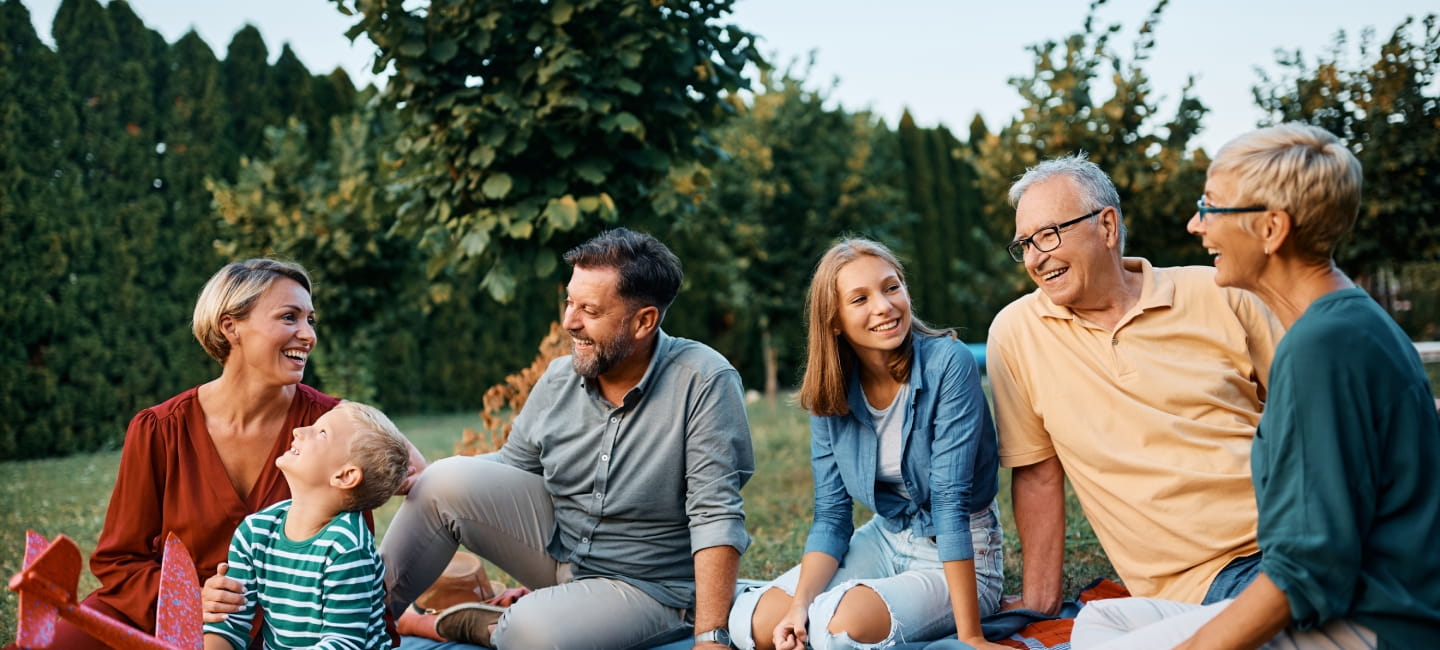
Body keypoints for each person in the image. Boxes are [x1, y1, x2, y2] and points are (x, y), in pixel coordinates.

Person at [1071, 124, 1440, 648]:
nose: (1196, 224)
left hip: (1374, 624)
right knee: (1102, 625)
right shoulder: (1345, 323)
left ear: (1271, 229)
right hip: (1361, 601)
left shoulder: (1323, 347)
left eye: (1212, 206)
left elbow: (1305, 573)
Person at [380, 227, 755, 649]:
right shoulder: (560, 376)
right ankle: (357, 622)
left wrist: (711, 637)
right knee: (441, 482)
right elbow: (514, 467)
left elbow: (716, 516)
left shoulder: (704, 381)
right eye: (569, 302)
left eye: (590, 311)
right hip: (562, 553)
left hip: (650, 588)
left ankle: (484, 625)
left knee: (532, 630)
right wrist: (432, 477)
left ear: (644, 321)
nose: (568, 322)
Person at [57, 259, 424, 649]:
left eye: (310, 320)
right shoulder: (159, 429)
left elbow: (352, 563)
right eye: (289, 317)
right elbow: (119, 561)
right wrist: (193, 600)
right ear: (230, 326)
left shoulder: (331, 427)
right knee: (57, 640)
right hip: (172, 614)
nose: (308, 335)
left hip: (293, 628)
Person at [987, 155, 1285, 613]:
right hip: (1213, 577)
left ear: (1106, 226)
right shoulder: (1017, 334)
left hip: (1304, 523)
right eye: (1024, 243)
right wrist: (1040, 600)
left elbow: (1311, 405)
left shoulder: (1220, 291)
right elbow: (1038, 474)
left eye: (1048, 235)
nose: (1035, 257)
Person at [728, 238, 1006, 650]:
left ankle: (861, 609)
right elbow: (831, 517)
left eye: (892, 287)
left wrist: (970, 638)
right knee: (756, 621)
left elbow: (950, 499)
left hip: (960, 554)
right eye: (860, 298)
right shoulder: (831, 393)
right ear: (835, 320)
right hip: (883, 538)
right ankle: (832, 604)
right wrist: (798, 606)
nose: (884, 306)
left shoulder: (950, 364)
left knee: (835, 630)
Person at [204, 400, 411, 649]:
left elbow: (342, 643)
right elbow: (228, 625)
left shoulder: (347, 547)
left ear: (345, 476)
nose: (299, 431)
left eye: (322, 433)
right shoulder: (254, 532)